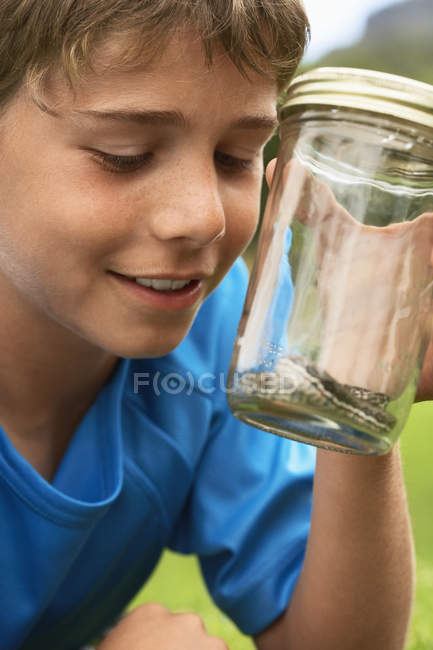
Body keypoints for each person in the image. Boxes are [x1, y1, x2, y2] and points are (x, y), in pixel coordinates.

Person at [0, 1, 419, 649]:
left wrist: (355, 389)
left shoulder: (213, 333)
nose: (201, 218)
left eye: (234, 158)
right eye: (125, 155)